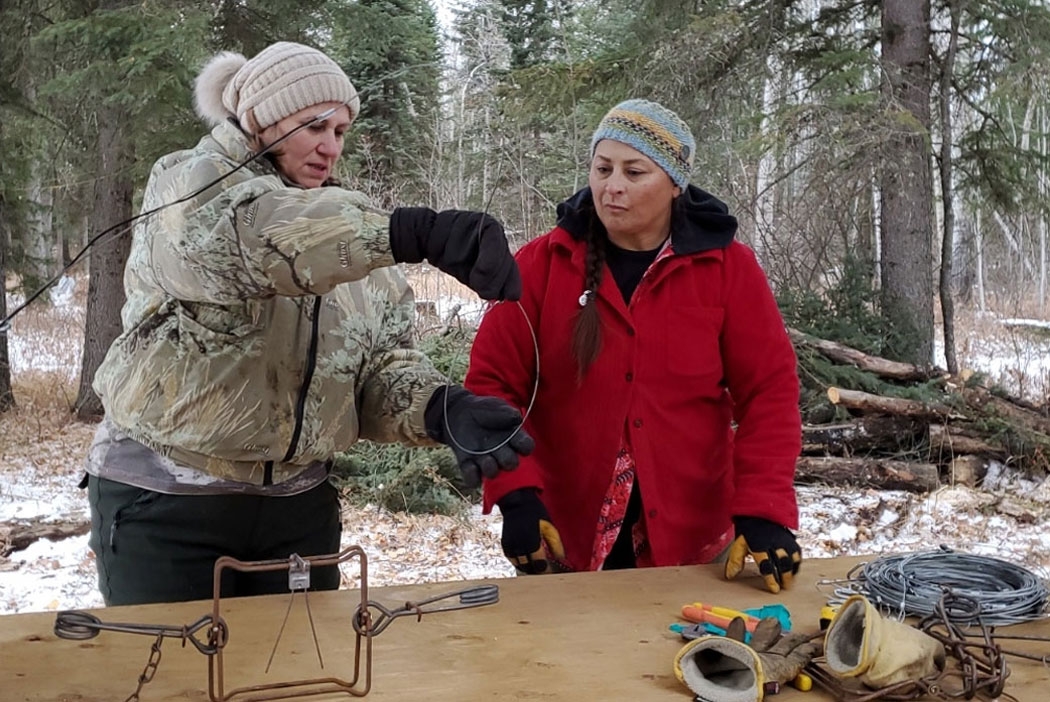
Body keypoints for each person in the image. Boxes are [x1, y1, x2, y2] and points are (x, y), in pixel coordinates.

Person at [84, 41, 533, 606]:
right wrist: (405, 233)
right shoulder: (186, 185)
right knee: (177, 684)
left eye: (341, 131)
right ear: (260, 120)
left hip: (298, 514)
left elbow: (375, 365)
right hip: (167, 506)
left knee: (300, 682)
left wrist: (439, 408)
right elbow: (247, 241)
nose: (329, 146)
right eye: (312, 125)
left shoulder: (354, 229)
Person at [465, 99, 803, 593]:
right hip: (563, 537)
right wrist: (515, 494)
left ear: (674, 183)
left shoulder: (728, 269)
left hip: (691, 541)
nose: (612, 186)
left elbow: (769, 394)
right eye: (602, 169)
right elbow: (491, 385)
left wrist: (764, 508)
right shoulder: (542, 264)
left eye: (633, 171)